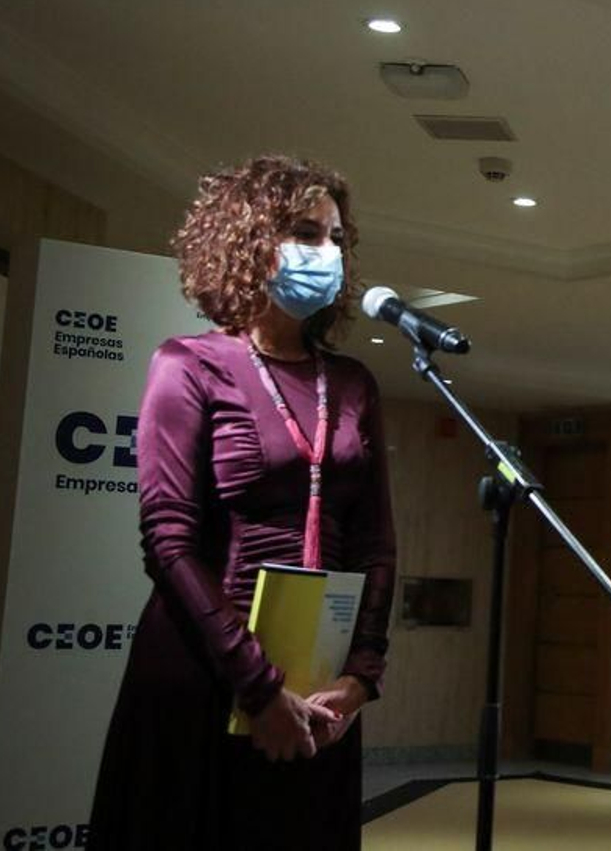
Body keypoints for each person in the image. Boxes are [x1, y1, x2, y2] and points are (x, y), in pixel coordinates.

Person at [90, 155, 396, 850]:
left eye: (335, 239)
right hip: (204, 673)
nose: (326, 252)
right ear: (250, 238)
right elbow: (168, 538)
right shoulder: (187, 363)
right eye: (305, 232)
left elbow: (376, 539)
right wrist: (256, 686)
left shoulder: (352, 383)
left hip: (321, 685)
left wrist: (361, 673)